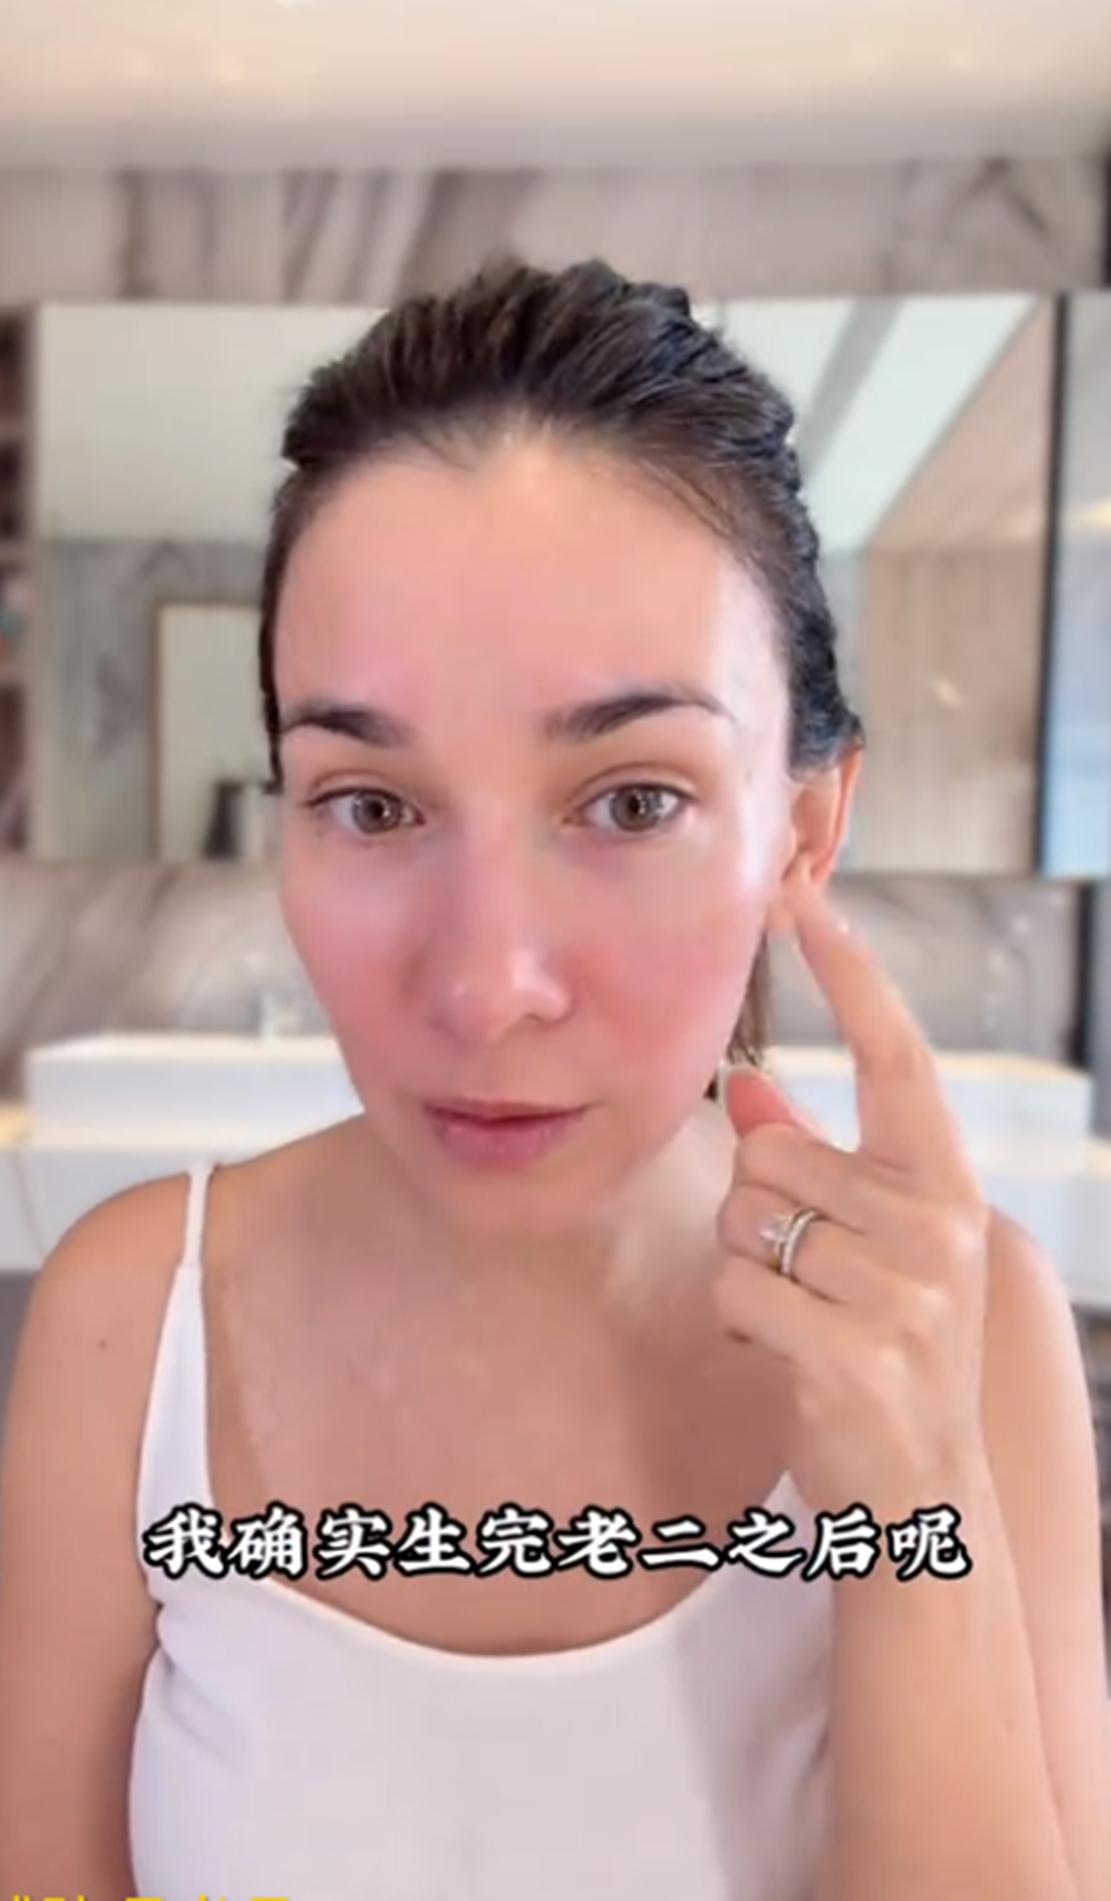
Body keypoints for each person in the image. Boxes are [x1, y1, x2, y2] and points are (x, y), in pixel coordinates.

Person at [0, 255, 1107, 1901]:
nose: (485, 984)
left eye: (633, 800)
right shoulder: (134, 1319)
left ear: (804, 826)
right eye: (372, 804)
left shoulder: (970, 1329)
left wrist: (910, 1509)